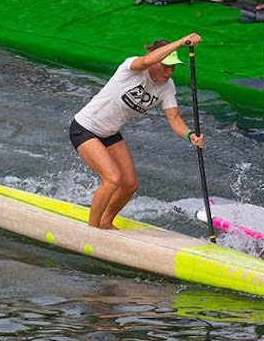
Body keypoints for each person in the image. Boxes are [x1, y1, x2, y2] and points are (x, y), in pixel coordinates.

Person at [70, 35, 207, 229]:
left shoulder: (167, 87)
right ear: (154, 60)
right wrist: (181, 41)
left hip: (110, 133)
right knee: (112, 179)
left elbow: (174, 119)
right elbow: (146, 61)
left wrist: (190, 135)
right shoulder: (132, 68)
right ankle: (91, 231)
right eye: (165, 66)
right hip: (85, 128)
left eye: (173, 67)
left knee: (129, 184)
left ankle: (106, 222)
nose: (170, 72)